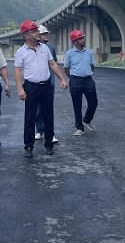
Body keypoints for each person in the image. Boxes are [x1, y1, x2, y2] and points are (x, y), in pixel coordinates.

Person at [13, 20, 68, 158]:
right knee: (30, 117)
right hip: (31, 87)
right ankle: (28, 146)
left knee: (48, 116)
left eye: (37, 30)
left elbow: (52, 64)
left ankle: (49, 145)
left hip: (46, 86)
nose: (38, 33)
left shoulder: (45, 48)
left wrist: (62, 79)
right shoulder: (21, 52)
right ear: (26, 35)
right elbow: (17, 71)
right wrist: (20, 89)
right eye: (34, 31)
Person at [64, 30, 99, 136]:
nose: (83, 40)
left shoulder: (89, 52)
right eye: (80, 38)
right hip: (75, 81)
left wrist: (86, 73)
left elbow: (92, 66)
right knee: (77, 105)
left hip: (88, 80)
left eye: (83, 38)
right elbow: (66, 69)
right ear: (75, 42)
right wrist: (73, 78)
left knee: (93, 102)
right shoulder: (69, 54)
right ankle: (79, 127)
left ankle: (87, 119)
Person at [34, 25, 59, 145]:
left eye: (46, 34)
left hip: (49, 82)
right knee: (37, 109)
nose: (46, 36)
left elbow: (53, 64)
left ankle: (51, 133)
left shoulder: (51, 48)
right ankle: (39, 130)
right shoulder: (32, 49)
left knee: (48, 109)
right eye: (44, 34)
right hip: (35, 83)